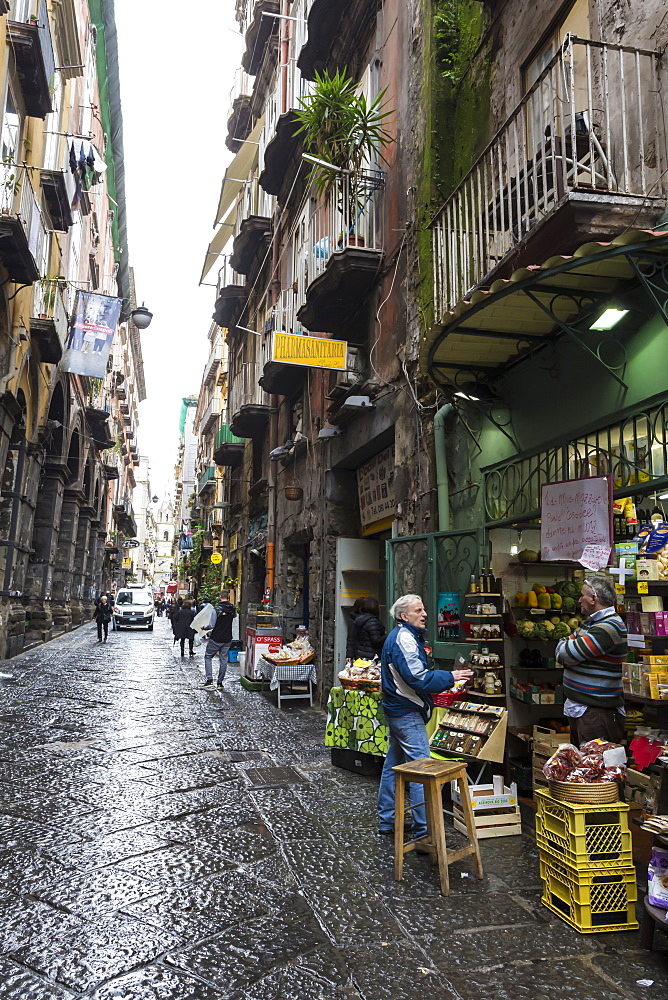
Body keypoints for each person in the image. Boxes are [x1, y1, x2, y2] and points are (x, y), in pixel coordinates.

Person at [377, 593, 473, 841]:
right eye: (418, 610)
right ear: (403, 616)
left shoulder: (402, 636)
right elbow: (419, 678)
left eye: (423, 609)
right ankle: (424, 833)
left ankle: (387, 819)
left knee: (393, 766)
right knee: (422, 769)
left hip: (399, 710)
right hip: (406, 712)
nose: (425, 614)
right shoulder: (405, 639)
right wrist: (452, 676)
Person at [555, 576, 627, 746]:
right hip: (584, 709)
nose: (579, 600)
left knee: (596, 767)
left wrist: (571, 656)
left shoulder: (609, 627)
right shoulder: (591, 623)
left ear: (594, 598)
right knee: (582, 766)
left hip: (598, 713)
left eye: (582, 595)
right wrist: (570, 655)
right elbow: (561, 650)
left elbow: (568, 653)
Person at [201, 589, 237, 689]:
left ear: (220, 596)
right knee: (223, 660)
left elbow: (211, 625)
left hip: (216, 638)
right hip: (227, 638)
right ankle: (220, 683)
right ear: (228, 597)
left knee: (208, 656)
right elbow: (234, 616)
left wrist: (204, 627)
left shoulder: (216, 609)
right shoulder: (232, 608)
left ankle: (209, 680)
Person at [346, 595, 386, 662]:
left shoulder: (359, 620)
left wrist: (349, 654)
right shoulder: (372, 621)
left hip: (361, 654)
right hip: (372, 656)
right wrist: (387, 636)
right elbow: (376, 641)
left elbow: (351, 639)